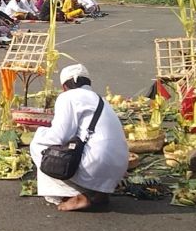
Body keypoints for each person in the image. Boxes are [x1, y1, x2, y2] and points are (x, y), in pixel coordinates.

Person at [30, 64, 128, 211]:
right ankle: (99, 192)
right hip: (118, 166)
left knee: (38, 145)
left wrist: (39, 131)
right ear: (88, 83)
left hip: (96, 165)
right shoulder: (100, 100)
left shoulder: (67, 97)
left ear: (64, 86)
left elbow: (59, 136)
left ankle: (78, 195)